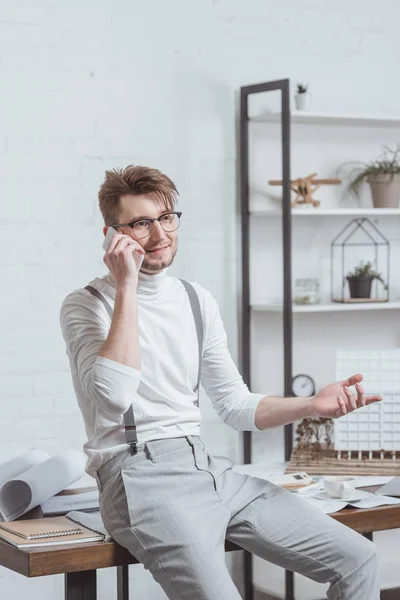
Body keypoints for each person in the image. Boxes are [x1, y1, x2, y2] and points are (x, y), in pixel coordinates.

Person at [60, 165, 382, 600]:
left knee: (358, 559)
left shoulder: (196, 299)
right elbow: (113, 399)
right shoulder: (87, 305)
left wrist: (311, 405)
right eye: (141, 223)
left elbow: (234, 404)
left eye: (167, 218)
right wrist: (127, 286)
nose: (159, 235)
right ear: (111, 234)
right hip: (139, 479)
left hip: (208, 469)